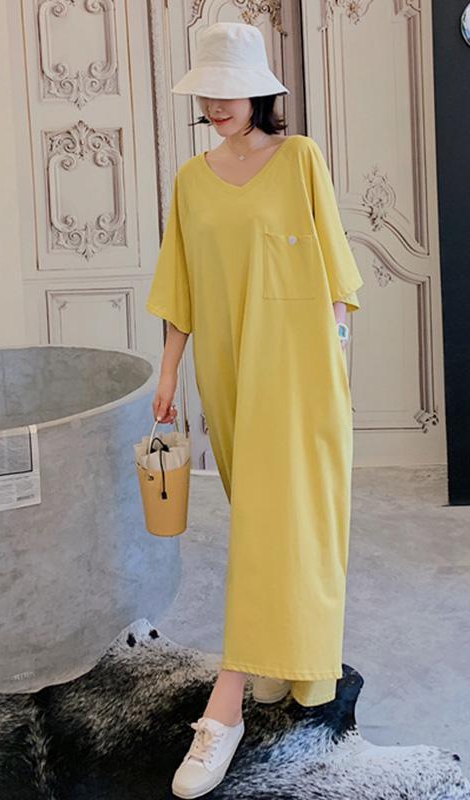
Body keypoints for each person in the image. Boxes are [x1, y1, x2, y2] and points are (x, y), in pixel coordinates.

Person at [146, 21, 364, 799]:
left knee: (282, 521)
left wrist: (334, 358)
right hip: (230, 371)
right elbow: (180, 284)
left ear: (259, 92)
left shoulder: (300, 158)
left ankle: (226, 707)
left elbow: (336, 274)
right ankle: (280, 658)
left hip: (300, 370)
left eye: (228, 90)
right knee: (259, 519)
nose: (215, 104)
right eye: (206, 92)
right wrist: (168, 373)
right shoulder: (190, 179)